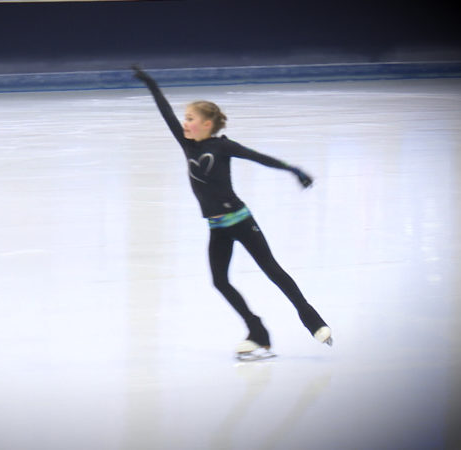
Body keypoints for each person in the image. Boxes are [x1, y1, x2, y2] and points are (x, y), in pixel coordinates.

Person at [132, 67, 332, 359]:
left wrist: (293, 170)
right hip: (217, 228)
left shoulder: (223, 146)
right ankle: (257, 331)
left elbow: (259, 158)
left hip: (241, 221)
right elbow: (166, 115)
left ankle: (312, 319)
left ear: (207, 124)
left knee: (272, 270)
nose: (185, 123)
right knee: (220, 281)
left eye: (191, 119)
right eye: (185, 119)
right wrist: (151, 84)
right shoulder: (187, 145)